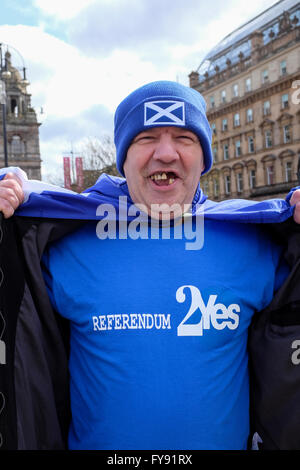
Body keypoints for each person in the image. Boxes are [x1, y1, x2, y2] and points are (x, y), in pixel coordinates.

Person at [1, 80, 300, 451]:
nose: (166, 153)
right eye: (146, 138)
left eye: (184, 138)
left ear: (204, 159)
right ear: (123, 159)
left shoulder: (258, 245)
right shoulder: (62, 247)